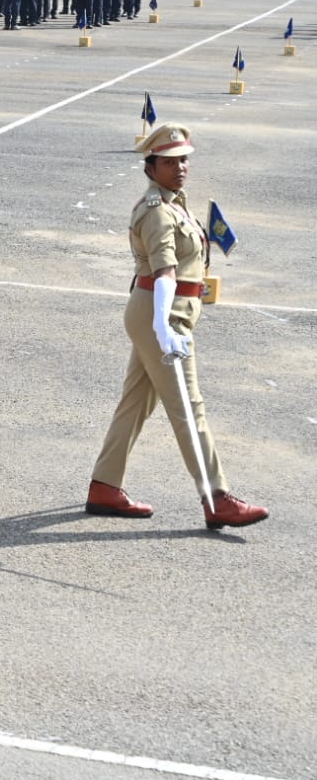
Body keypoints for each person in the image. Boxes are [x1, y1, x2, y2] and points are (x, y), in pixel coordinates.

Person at [86, 125, 268, 530]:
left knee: (137, 402)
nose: (180, 167)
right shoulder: (156, 211)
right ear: (151, 167)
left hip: (162, 312)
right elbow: (165, 272)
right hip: (161, 314)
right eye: (169, 162)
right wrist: (164, 328)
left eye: (184, 159)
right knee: (189, 407)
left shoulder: (174, 203)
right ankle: (217, 497)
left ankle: (104, 486)